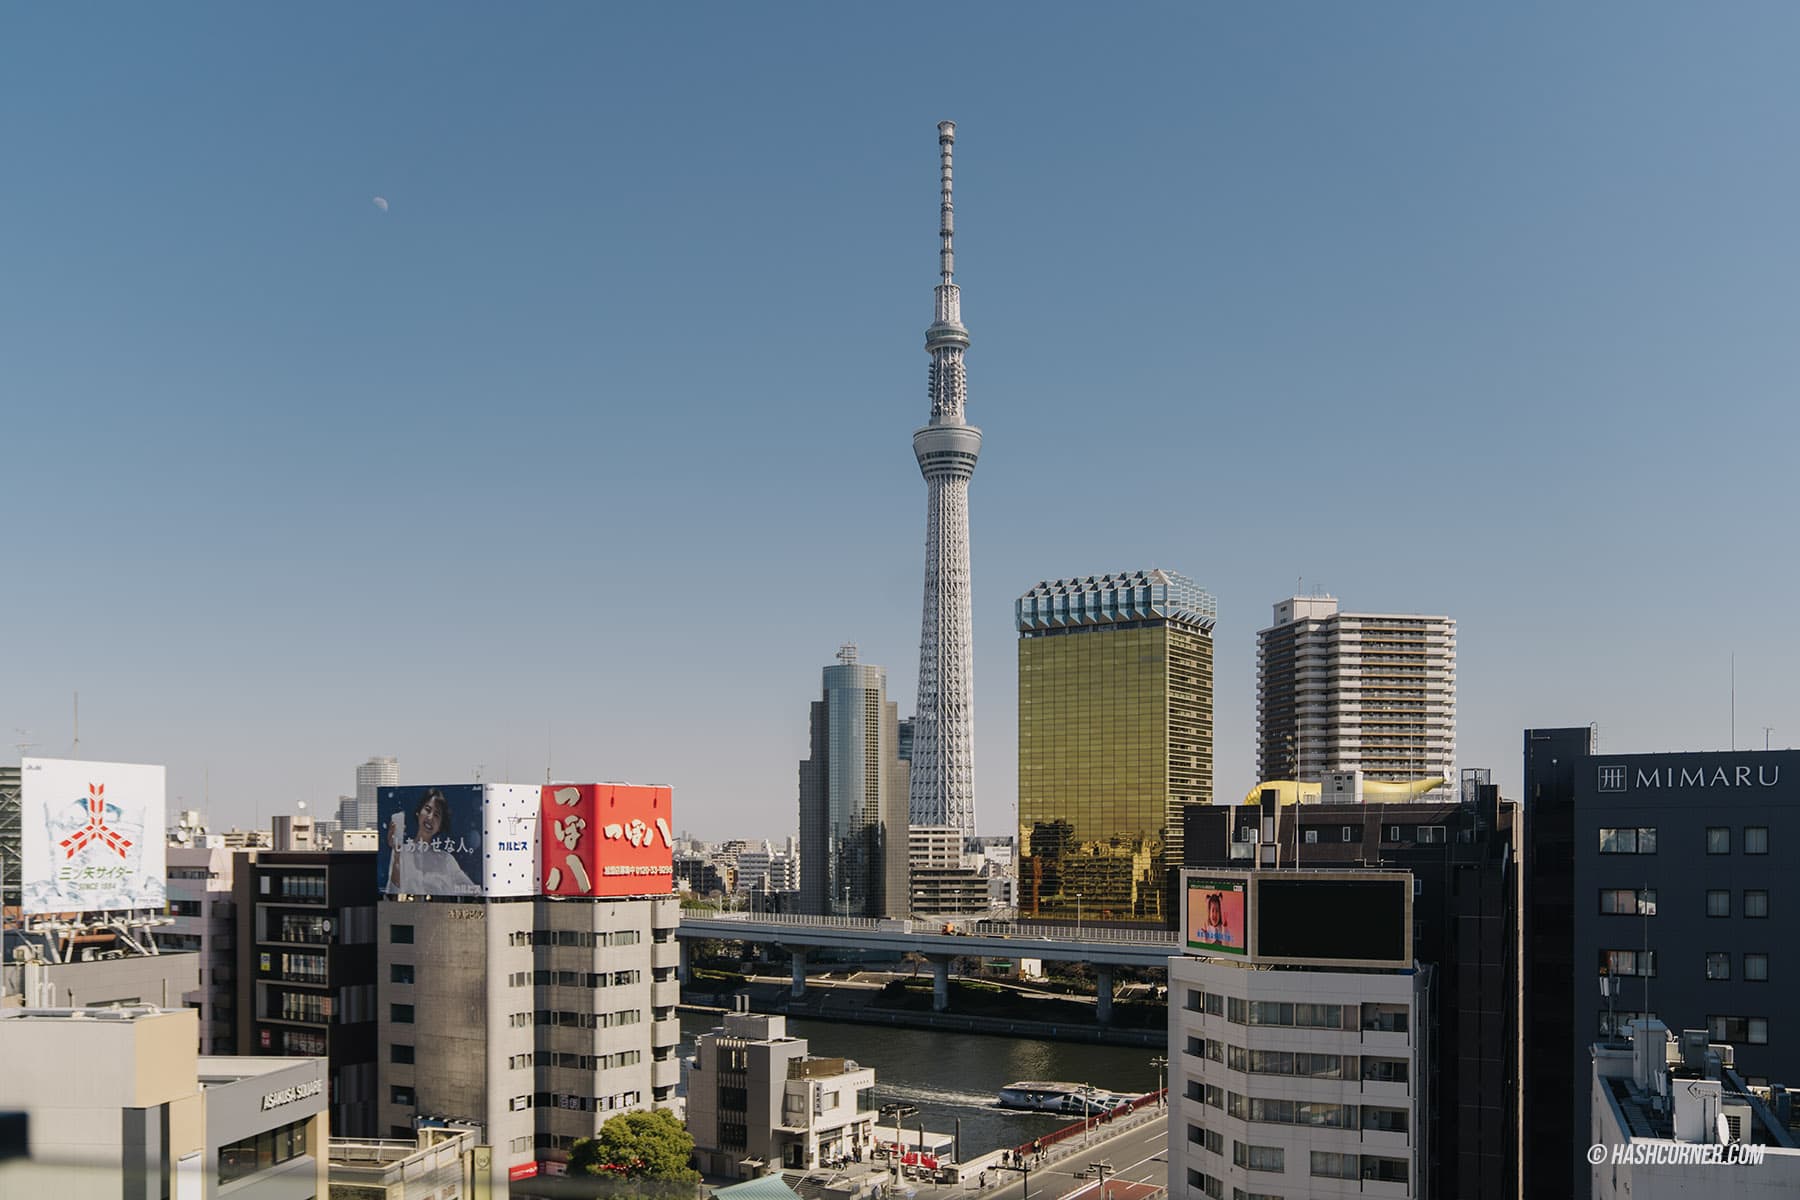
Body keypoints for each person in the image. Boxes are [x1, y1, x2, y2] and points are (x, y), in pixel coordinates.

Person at [386, 788, 479, 895]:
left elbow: (475, 891)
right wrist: (396, 853)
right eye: (427, 809)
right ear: (418, 812)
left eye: (436, 815)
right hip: (408, 911)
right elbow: (392, 893)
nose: (430, 817)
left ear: (440, 826)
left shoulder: (446, 860)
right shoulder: (401, 852)